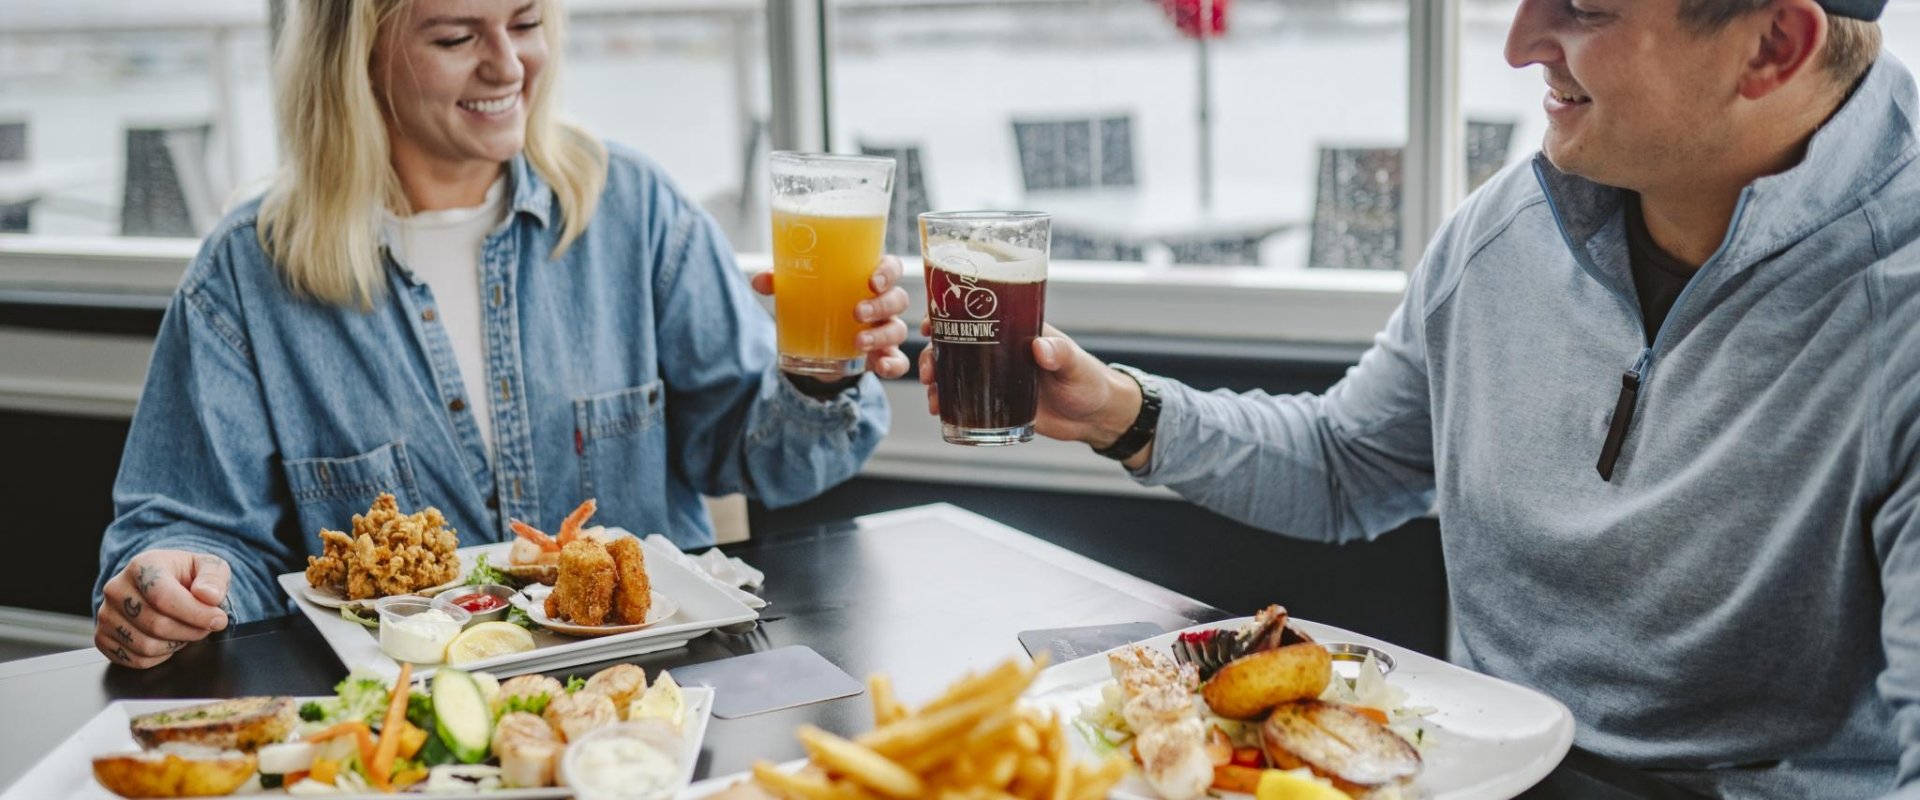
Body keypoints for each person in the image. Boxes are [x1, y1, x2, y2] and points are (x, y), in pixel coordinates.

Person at [921, 0, 1917, 795]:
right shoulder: (1505, 230)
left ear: (1773, 45)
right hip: (1457, 767)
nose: (1523, 41)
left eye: (1586, 9)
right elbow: (1350, 464)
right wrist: (1120, 411)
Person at [92, 0, 912, 669]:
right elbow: (188, 529)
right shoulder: (246, 272)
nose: (509, 65)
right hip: (407, 728)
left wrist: (820, 379)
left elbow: (758, 455)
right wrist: (174, 584)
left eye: (525, 23)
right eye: (456, 36)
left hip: (659, 704)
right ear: (360, 53)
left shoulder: (635, 209)